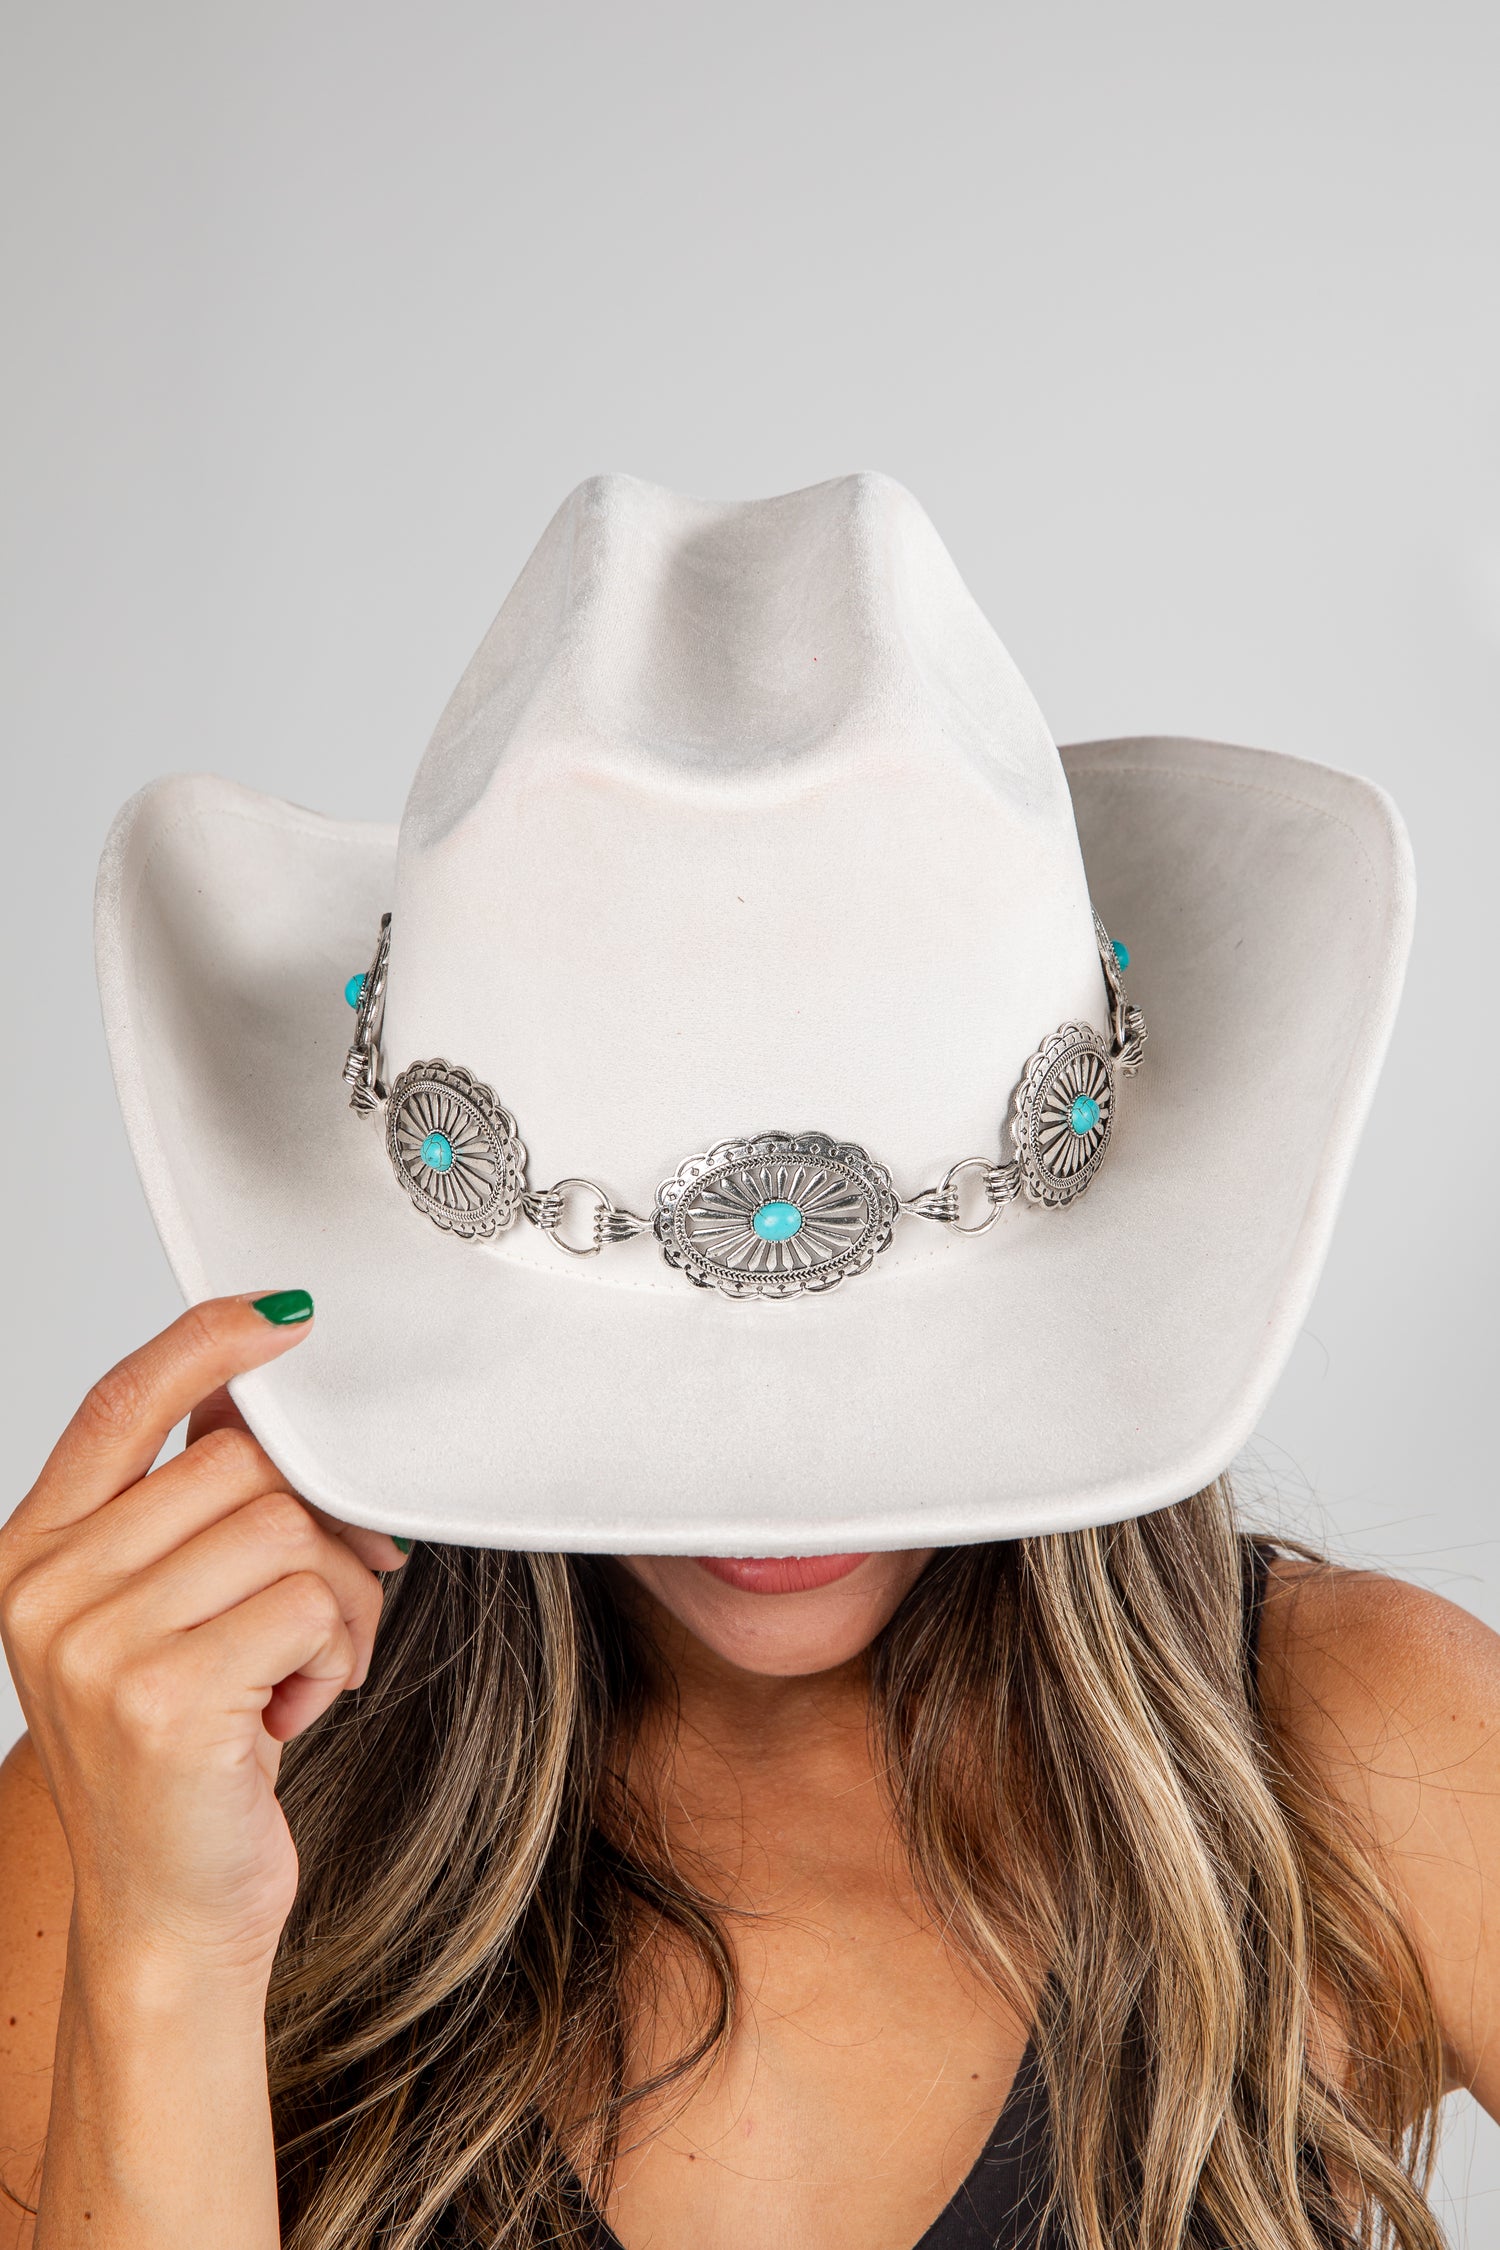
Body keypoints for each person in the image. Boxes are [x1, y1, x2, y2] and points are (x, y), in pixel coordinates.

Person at [2, 475, 1496, 2249]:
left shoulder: (1360, 1741)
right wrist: (172, 1950)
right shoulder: (151, 1804)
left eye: (869, 1372)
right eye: (667, 1387)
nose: (775, 1484)